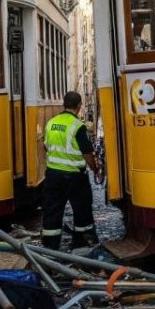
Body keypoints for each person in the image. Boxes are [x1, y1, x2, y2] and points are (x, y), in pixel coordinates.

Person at [41, 91, 102, 251]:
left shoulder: (51, 123)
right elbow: (87, 153)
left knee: (52, 211)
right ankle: (82, 244)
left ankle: (50, 247)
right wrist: (95, 169)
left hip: (53, 175)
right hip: (75, 177)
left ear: (64, 104)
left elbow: (46, 146)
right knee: (82, 210)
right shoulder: (78, 126)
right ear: (79, 106)